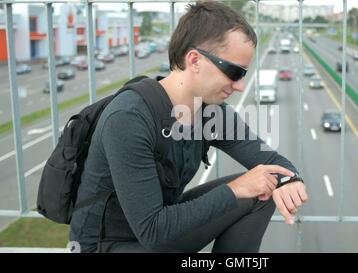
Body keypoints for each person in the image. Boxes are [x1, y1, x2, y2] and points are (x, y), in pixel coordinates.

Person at [69, 1, 308, 253]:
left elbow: (269, 159)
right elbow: (153, 230)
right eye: (234, 72)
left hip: (163, 228)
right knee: (248, 187)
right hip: (107, 245)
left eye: (243, 75)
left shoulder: (208, 112)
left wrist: (289, 179)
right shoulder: (128, 118)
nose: (239, 86)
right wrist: (236, 188)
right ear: (194, 60)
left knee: (265, 184)